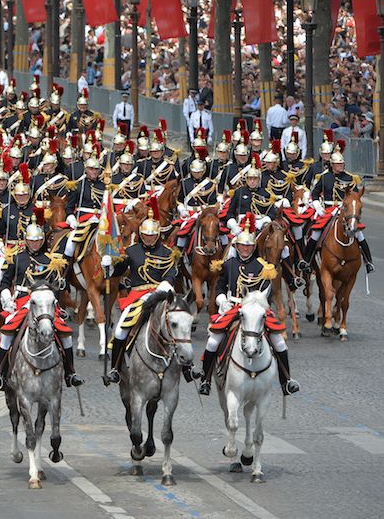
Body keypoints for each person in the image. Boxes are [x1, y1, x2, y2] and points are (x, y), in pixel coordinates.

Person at [197, 213, 300, 397]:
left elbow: (267, 291)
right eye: (242, 246)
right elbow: (219, 288)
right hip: (233, 308)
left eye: (248, 246)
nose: (245, 249)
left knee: (279, 342)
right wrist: (222, 301)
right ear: (237, 246)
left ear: (253, 247)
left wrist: (259, 306)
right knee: (213, 341)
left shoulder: (262, 267)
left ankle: (287, 381)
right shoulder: (228, 264)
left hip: (255, 310)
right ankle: (205, 380)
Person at [0, 213, 84, 391]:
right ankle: (0, 373)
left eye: (38, 240)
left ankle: (70, 372)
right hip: (23, 300)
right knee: (8, 331)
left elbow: (57, 286)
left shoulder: (50, 261)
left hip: (45, 303)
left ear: (42, 241)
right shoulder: (16, 259)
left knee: (65, 333)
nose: (35, 244)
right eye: (32, 241)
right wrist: (6, 298)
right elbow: (5, 283)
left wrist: (58, 290)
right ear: (26, 241)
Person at [101, 204, 181, 385]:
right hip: (137, 296)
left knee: (178, 323)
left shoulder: (168, 253)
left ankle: (186, 365)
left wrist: (165, 285)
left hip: (161, 294)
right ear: (141, 234)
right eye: (146, 235)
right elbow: (118, 271)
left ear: (158, 235)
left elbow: (171, 273)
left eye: (152, 235)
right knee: (121, 328)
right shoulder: (132, 250)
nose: (149, 238)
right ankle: (115, 368)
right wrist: (109, 266)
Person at [299, 146, 374, 274]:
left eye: (342, 164)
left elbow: (355, 196)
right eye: (338, 164)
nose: (340, 166)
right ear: (332, 165)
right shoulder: (324, 177)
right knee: (316, 233)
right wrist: (317, 206)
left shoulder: (350, 178)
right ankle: (306, 261)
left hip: (346, 211)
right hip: (328, 210)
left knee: (359, 234)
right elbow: (315, 194)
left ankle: (369, 261)